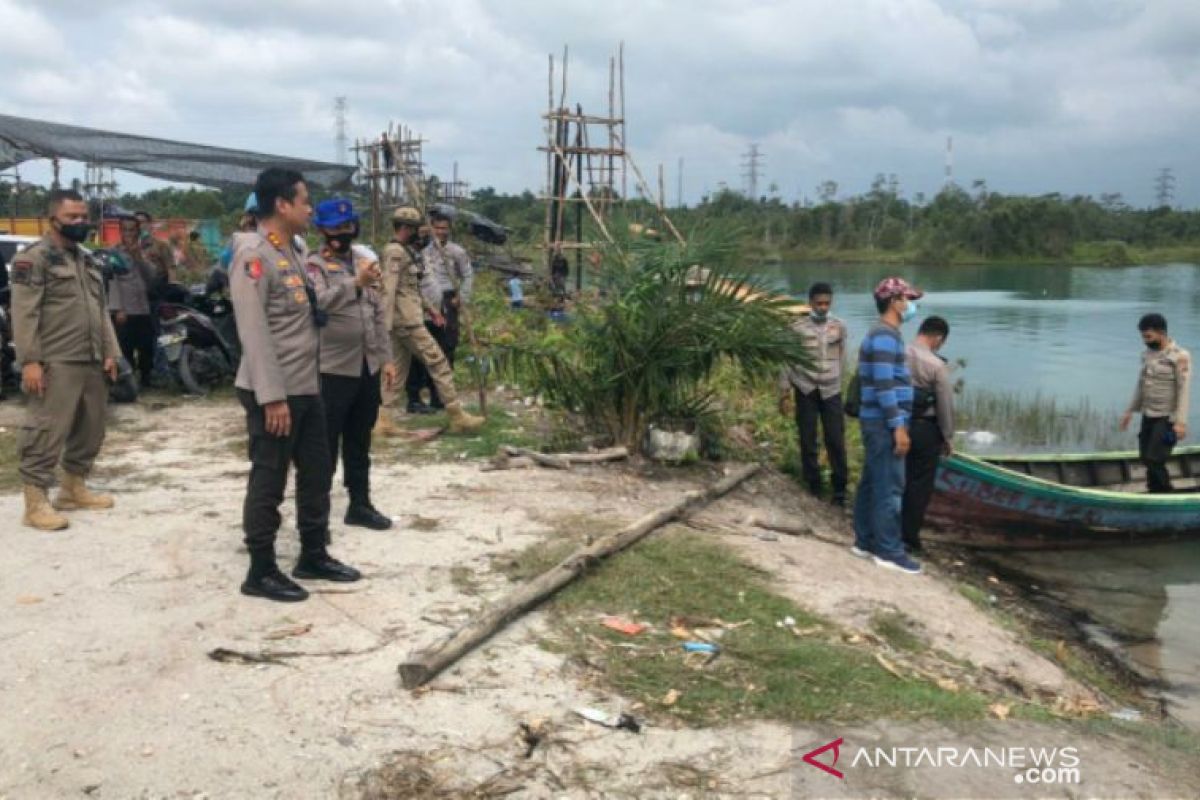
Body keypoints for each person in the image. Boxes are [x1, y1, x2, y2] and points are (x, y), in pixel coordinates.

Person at [230, 167, 361, 603]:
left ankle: (314, 553)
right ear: (282, 205)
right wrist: (272, 398)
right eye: (304, 201)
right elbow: (254, 331)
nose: (310, 209)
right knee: (270, 477)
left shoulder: (290, 248)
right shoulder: (253, 254)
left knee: (318, 472)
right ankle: (261, 569)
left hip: (306, 385)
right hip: (275, 390)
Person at [10, 189, 120, 530]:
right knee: (46, 429)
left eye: (83, 216)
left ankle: (73, 488)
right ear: (53, 218)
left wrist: (111, 351)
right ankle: (35, 502)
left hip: (91, 358)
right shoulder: (34, 258)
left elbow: (100, 311)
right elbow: (24, 314)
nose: (80, 222)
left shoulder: (86, 259)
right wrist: (29, 361)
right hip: (55, 360)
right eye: (72, 217)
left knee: (92, 426)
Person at [307, 198, 397, 530]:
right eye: (335, 228)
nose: (342, 234)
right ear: (321, 230)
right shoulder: (313, 266)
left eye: (347, 227)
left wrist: (386, 358)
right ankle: (316, 516)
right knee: (325, 445)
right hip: (332, 368)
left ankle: (360, 504)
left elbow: (376, 313)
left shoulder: (364, 262)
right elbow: (317, 305)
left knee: (360, 441)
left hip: (366, 366)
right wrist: (353, 284)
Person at [380, 206, 484, 433]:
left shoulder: (406, 251)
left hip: (409, 316)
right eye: (417, 229)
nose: (422, 233)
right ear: (406, 228)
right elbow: (388, 291)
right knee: (438, 362)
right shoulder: (395, 252)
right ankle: (456, 414)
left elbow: (411, 288)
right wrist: (384, 327)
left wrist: (431, 310)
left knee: (396, 371)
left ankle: (384, 419)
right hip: (406, 321)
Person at [852, 276, 923, 575]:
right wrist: (898, 426)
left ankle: (865, 540)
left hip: (879, 421)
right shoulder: (884, 336)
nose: (910, 305)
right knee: (890, 487)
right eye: (906, 299)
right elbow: (884, 385)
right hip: (884, 423)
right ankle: (888, 550)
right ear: (894, 302)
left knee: (872, 481)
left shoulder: (887, 334)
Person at [779, 282, 849, 506]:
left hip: (831, 390)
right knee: (808, 439)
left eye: (827, 303)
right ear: (810, 303)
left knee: (835, 440)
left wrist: (839, 381)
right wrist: (784, 391)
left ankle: (839, 489)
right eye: (818, 303)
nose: (822, 307)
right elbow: (787, 361)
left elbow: (842, 356)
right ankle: (814, 485)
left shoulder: (839, 326)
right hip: (806, 388)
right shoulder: (797, 328)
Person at [1119, 313, 1191, 493]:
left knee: (1155, 459)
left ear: (1161, 333)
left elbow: (1184, 390)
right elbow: (1141, 385)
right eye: (1143, 336)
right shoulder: (1147, 355)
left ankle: (1166, 493)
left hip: (1168, 417)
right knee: (1145, 457)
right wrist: (1129, 411)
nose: (1145, 340)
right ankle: (1154, 491)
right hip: (1149, 413)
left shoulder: (1180, 356)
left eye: (1148, 336)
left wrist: (1180, 423)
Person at [902, 315, 955, 553]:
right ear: (938, 338)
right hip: (925, 430)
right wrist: (947, 436)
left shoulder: (898, 353)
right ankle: (909, 538)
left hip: (897, 424)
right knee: (919, 485)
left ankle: (885, 527)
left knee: (895, 478)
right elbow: (944, 404)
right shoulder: (936, 365)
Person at [414, 211, 474, 410]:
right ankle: (422, 393)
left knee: (447, 346)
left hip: (448, 301)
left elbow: (467, 276)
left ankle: (442, 396)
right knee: (427, 348)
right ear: (431, 228)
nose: (441, 232)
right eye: (437, 228)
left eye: (444, 228)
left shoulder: (457, 251)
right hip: (427, 303)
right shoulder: (424, 252)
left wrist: (461, 298)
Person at [107, 216, 159, 387]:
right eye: (125, 229)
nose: (129, 233)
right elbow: (112, 281)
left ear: (138, 231)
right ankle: (128, 382)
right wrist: (117, 309)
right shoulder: (114, 253)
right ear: (120, 231)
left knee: (146, 347)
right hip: (125, 310)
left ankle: (146, 379)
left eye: (132, 229)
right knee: (125, 348)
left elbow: (151, 278)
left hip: (143, 308)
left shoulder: (146, 251)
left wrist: (138, 258)